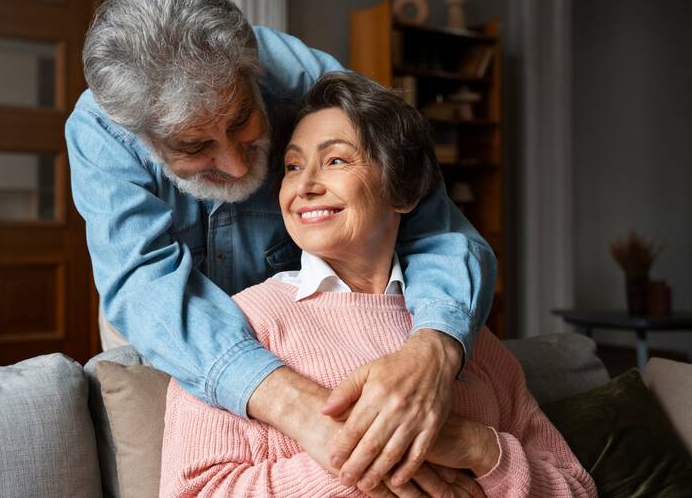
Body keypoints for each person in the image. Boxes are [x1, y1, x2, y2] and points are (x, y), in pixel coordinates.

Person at [66, 0, 497, 493]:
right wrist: (317, 422)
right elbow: (144, 284)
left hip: (296, 306)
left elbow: (435, 224)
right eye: (194, 145)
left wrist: (434, 349)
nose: (233, 163)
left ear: (252, 73)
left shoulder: (310, 82)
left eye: (242, 119)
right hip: (163, 312)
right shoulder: (102, 128)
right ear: (141, 134)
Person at [159, 71, 597, 497]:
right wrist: (374, 458)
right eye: (293, 166)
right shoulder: (234, 330)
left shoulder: (466, 338)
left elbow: (576, 488)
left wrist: (475, 446)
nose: (306, 185)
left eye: (336, 160)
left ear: (402, 191)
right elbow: (195, 491)